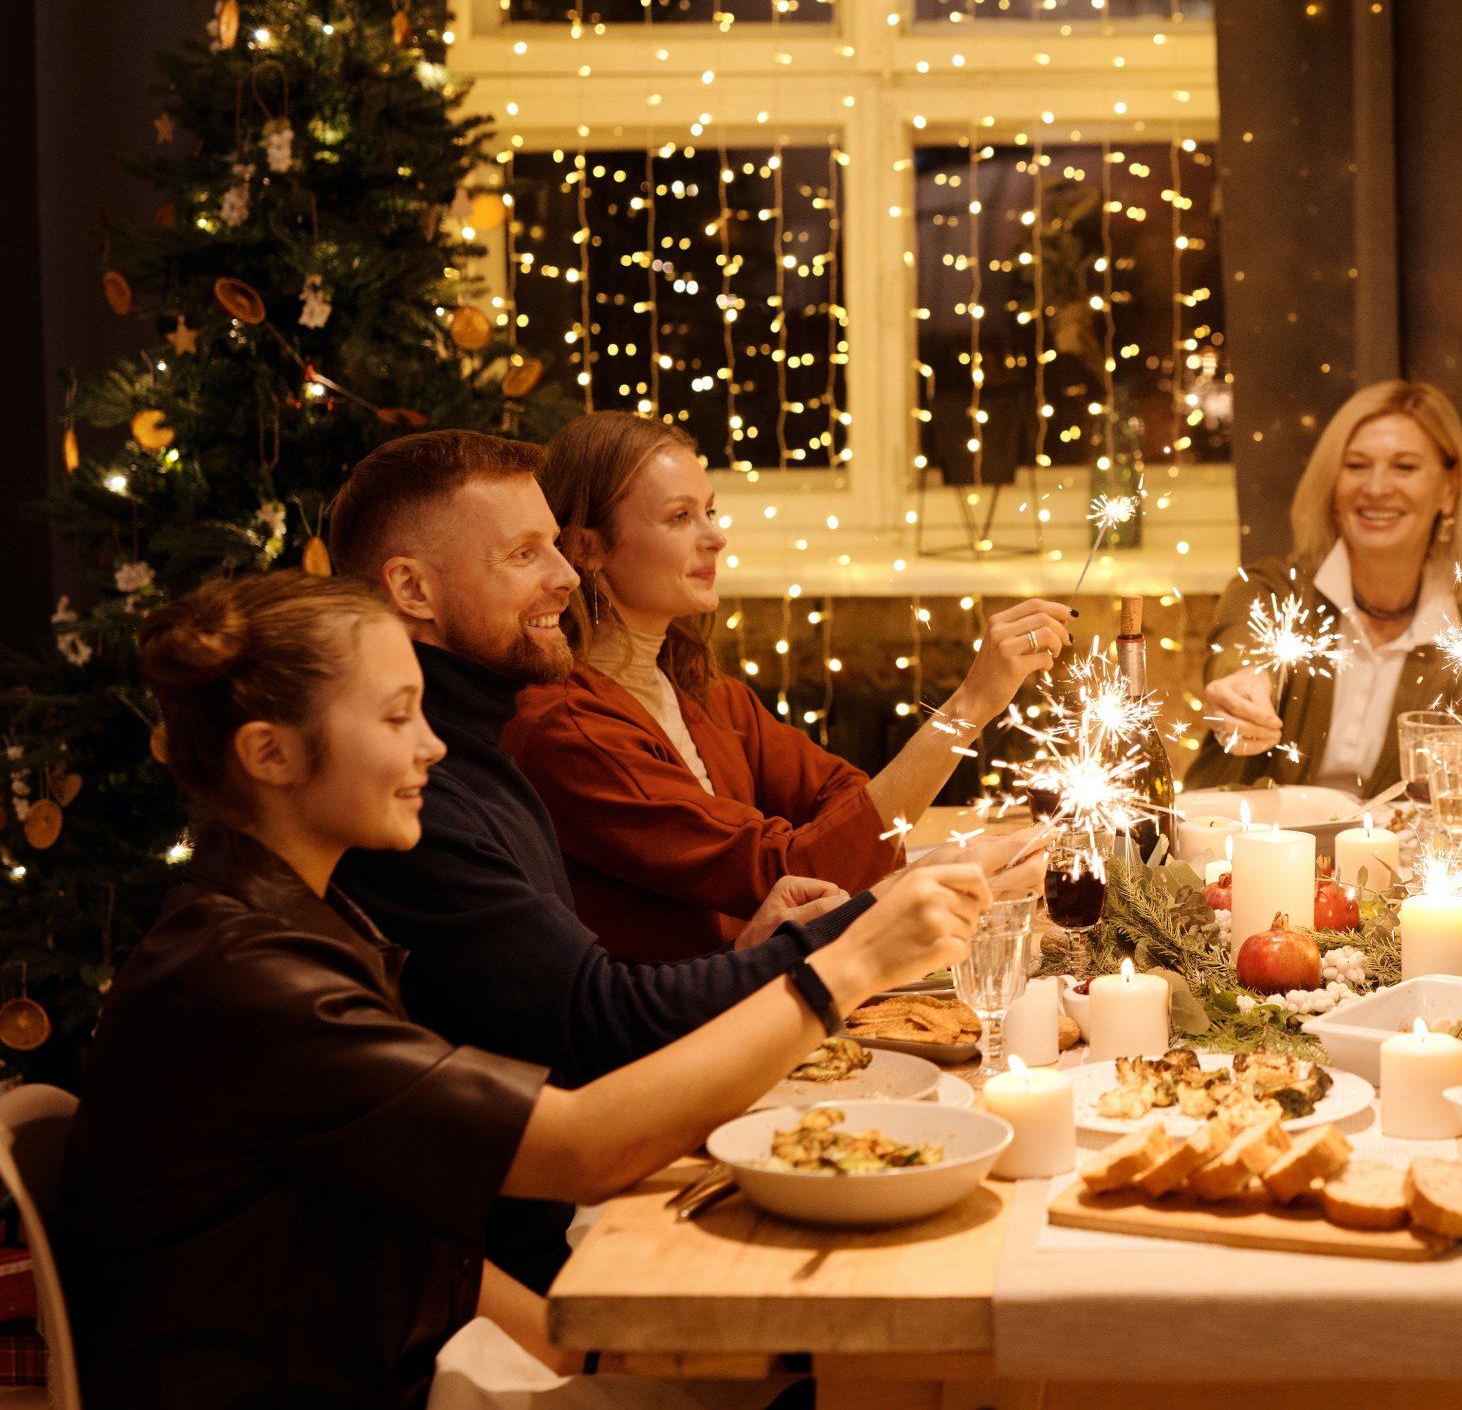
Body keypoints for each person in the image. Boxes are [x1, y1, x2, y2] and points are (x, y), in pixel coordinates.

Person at [58, 572, 987, 1409]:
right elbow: (581, 1148)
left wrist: (589, 1362)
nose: (430, 748)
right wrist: (850, 963)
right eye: (394, 719)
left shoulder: (308, 921)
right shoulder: (248, 978)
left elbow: (414, 1237)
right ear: (269, 753)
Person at [319, 429, 1029, 1287]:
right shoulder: (522, 742)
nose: (565, 579)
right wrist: (859, 939)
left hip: (666, 1111)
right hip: (594, 1199)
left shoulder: (687, 698)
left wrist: (766, 947)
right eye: (526, 552)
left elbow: (848, 812)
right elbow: (598, 1026)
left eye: (713, 511)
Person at [506, 410, 1071, 960]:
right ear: (587, 549)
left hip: (772, 977)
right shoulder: (569, 728)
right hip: (693, 1024)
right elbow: (788, 864)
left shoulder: (695, 685)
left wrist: (863, 855)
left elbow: (845, 799)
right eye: (680, 517)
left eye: (710, 511)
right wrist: (971, 704)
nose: (716, 537)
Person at [1188, 380, 1462, 798]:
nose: (1376, 488)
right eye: (1355, 466)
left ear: (1448, 487)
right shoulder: (1271, 592)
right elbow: (1244, 650)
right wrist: (1242, 688)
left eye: (1404, 467)